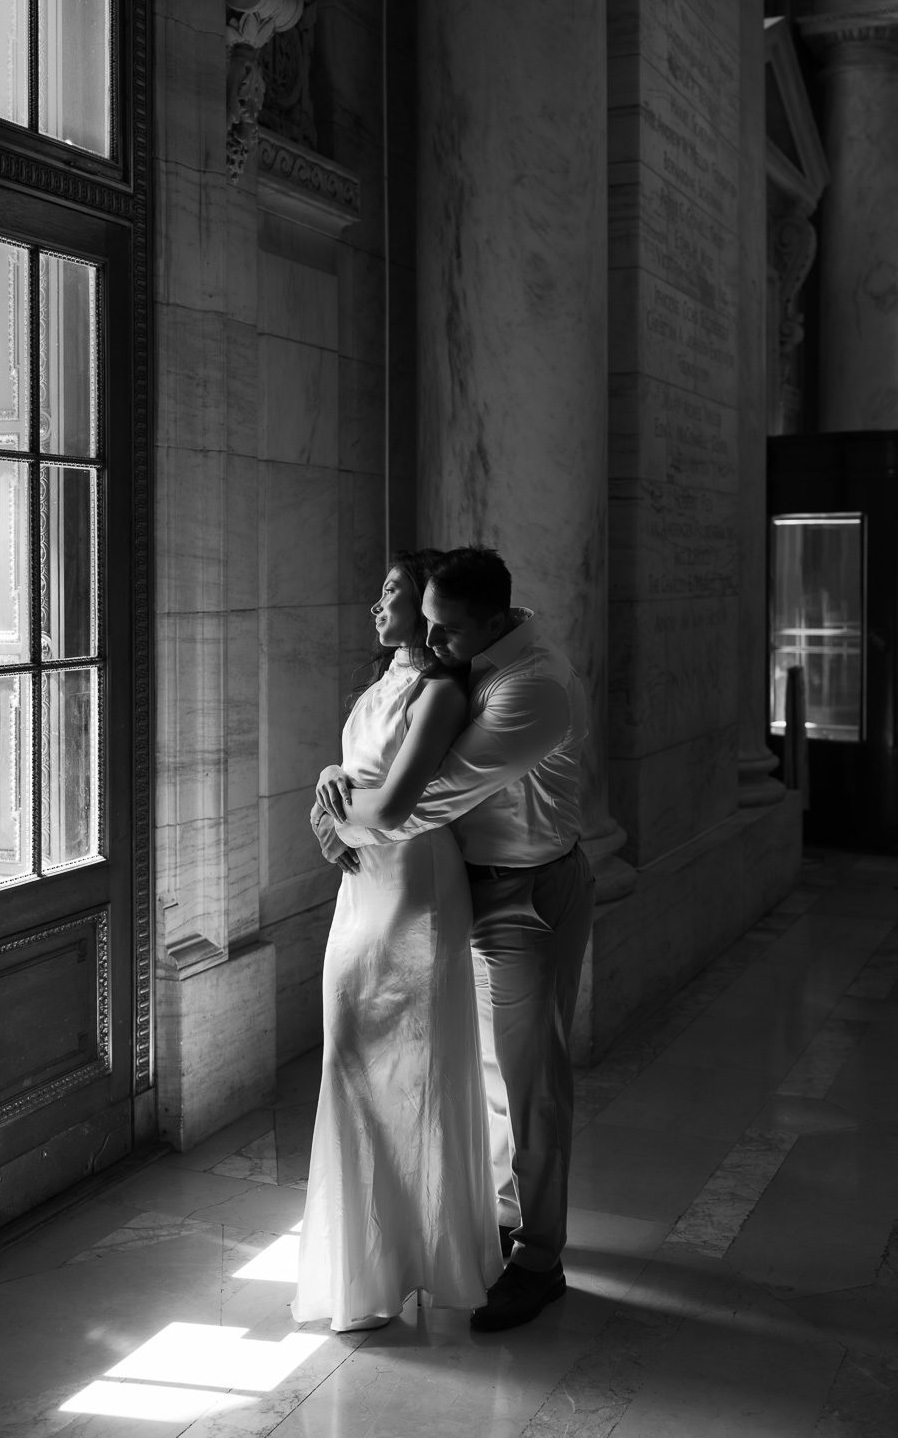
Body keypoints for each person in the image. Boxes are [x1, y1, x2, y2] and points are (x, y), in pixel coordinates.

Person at [317, 545, 595, 1332]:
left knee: (530, 1082)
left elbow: (427, 797)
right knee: (485, 1074)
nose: (431, 641)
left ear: (496, 621)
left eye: (446, 630)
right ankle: (500, 1217)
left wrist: (333, 815)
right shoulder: (468, 661)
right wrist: (331, 782)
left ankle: (539, 1258)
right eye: (429, 622)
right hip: (460, 887)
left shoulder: (532, 687)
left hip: (526, 893)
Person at [292, 549, 503, 1333]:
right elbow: (360, 773)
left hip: (413, 890)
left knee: (412, 1069)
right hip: (363, 888)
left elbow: (393, 804)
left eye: (392, 593)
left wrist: (330, 815)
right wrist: (329, 778)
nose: (376, 604)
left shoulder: (438, 691)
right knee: (350, 1063)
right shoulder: (381, 681)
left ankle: (417, 1260)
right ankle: (371, 1269)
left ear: (427, 609)